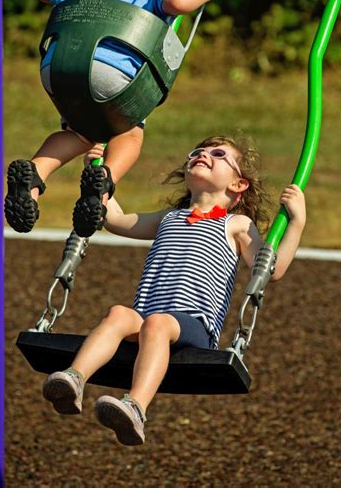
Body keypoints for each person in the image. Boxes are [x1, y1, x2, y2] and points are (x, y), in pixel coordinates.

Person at [41, 134, 306, 446]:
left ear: (238, 185)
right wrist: (98, 178)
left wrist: (297, 221)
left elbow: (270, 271)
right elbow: (115, 220)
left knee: (158, 323)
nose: (203, 154)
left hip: (194, 326)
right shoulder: (169, 218)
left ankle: (136, 408)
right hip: (147, 318)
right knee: (119, 314)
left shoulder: (237, 225)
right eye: (198, 151)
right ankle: (73, 379)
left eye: (218, 154)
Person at [4, 0, 231, 237]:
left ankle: (34, 174)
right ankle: (103, 185)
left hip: (59, 70)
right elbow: (179, 2)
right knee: (130, 133)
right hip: (116, 76)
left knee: (80, 131)